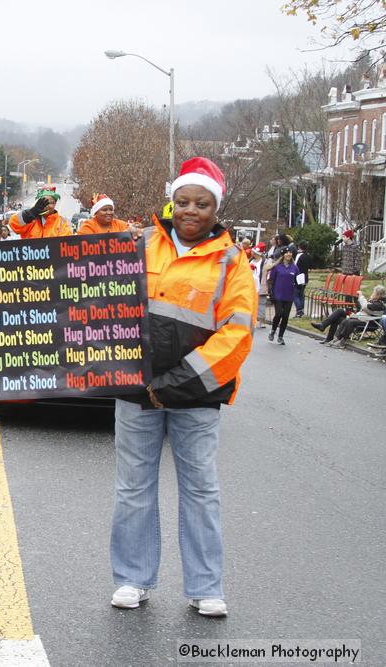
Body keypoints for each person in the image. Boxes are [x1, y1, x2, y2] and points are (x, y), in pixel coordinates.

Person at [111, 157, 256, 618]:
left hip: (195, 398)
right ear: (171, 203)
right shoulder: (141, 245)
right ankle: (132, 580)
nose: (191, 210)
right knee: (133, 489)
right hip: (137, 393)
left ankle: (205, 587)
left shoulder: (233, 261)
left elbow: (237, 336)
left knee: (201, 490)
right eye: (183, 201)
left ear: (216, 208)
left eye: (202, 203)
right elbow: (97, 302)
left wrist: (173, 385)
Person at [311, 285, 385, 347]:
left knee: (349, 321)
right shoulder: (373, 302)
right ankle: (325, 329)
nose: (372, 293)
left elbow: (365, 307)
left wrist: (361, 296)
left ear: (378, 295)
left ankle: (340, 340)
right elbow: (363, 309)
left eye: (374, 293)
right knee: (339, 312)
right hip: (360, 318)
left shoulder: (379, 304)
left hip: (368, 323)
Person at [7, 186, 73, 238]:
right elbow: (13, 224)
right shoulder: (31, 220)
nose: (47, 205)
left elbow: (66, 243)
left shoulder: (62, 223)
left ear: (55, 204)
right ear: (38, 203)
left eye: (51, 202)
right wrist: (31, 212)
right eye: (44, 202)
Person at [267, 249, 299, 345]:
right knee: (279, 313)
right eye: (286, 252)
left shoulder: (294, 267)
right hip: (278, 294)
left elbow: (298, 280)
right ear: (283, 255)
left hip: (289, 295)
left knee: (285, 316)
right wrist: (270, 293)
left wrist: (301, 283)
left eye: (290, 252)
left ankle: (280, 336)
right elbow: (271, 280)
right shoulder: (277, 267)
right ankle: (273, 330)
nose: (289, 254)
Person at [293, 240, 312, 318]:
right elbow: (311, 266)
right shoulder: (308, 255)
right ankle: (301, 310)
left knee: (295, 294)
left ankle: (299, 310)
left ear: (299, 247)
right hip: (305, 276)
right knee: (301, 294)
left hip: (298, 276)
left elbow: (295, 266)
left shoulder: (299, 255)